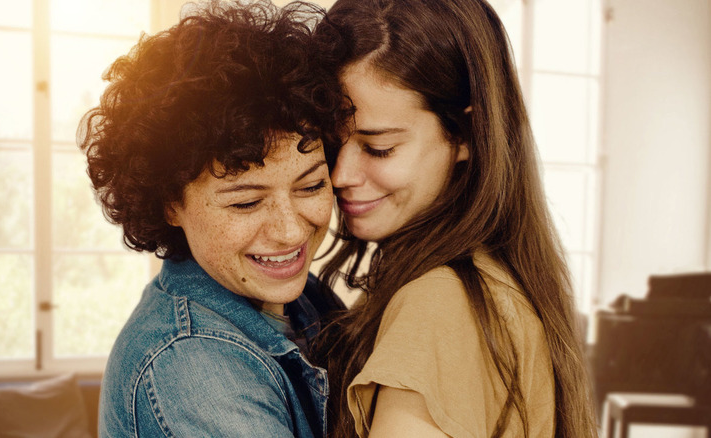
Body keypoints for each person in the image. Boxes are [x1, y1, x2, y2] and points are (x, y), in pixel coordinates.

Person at [311, 0, 599, 436]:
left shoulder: (440, 304)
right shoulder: (491, 283)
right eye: (332, 144)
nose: (340, 176)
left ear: (465, 134)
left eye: (379, 148)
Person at [77, 1, 348, 436]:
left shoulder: (305, 299)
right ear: (169, 203)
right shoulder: (189, 366)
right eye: (245, 203)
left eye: (311, 186)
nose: (291, 230)